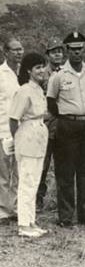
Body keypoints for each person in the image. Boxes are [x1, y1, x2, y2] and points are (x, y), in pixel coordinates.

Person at [47, 32, 85, 227]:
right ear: (67, 50)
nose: (78, 53)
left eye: (80, 49)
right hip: (67, 125)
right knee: (66, 172)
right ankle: (66, 217)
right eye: (74, 49)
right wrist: (65, 117)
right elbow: (51, 101)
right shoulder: (59, 75)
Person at [9, 52, 49, 237]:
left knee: (34, 181)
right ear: (29, 70)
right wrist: (17, 139)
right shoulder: (24, 90)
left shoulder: (39, 89)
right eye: (37, 67)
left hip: (39, 137)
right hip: (27, 137)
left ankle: (31, 221)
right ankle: (23, 224)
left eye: (43, 66)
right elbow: (14, 119)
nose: (42, 70)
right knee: (26, 181)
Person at [36, 38, 65, 211]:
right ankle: (38, 199)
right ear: (48, 54)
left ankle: (61, 200)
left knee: (63, 164)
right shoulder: (41, 73)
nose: (58, 54)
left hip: (63, 124)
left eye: (60, 51)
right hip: (46, 123)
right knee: (43, 164)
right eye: (54, 52)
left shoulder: (65, 72)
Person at [0, 37, 22, 225]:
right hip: (4, 130)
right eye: (14, 50)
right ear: (5, 52)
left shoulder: (24, 73)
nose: (18, 53)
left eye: (20, 49)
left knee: (19, 171)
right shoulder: (1, 74)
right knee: (4, 173)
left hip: (23, 131)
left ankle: (15, 207)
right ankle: (3, 210)